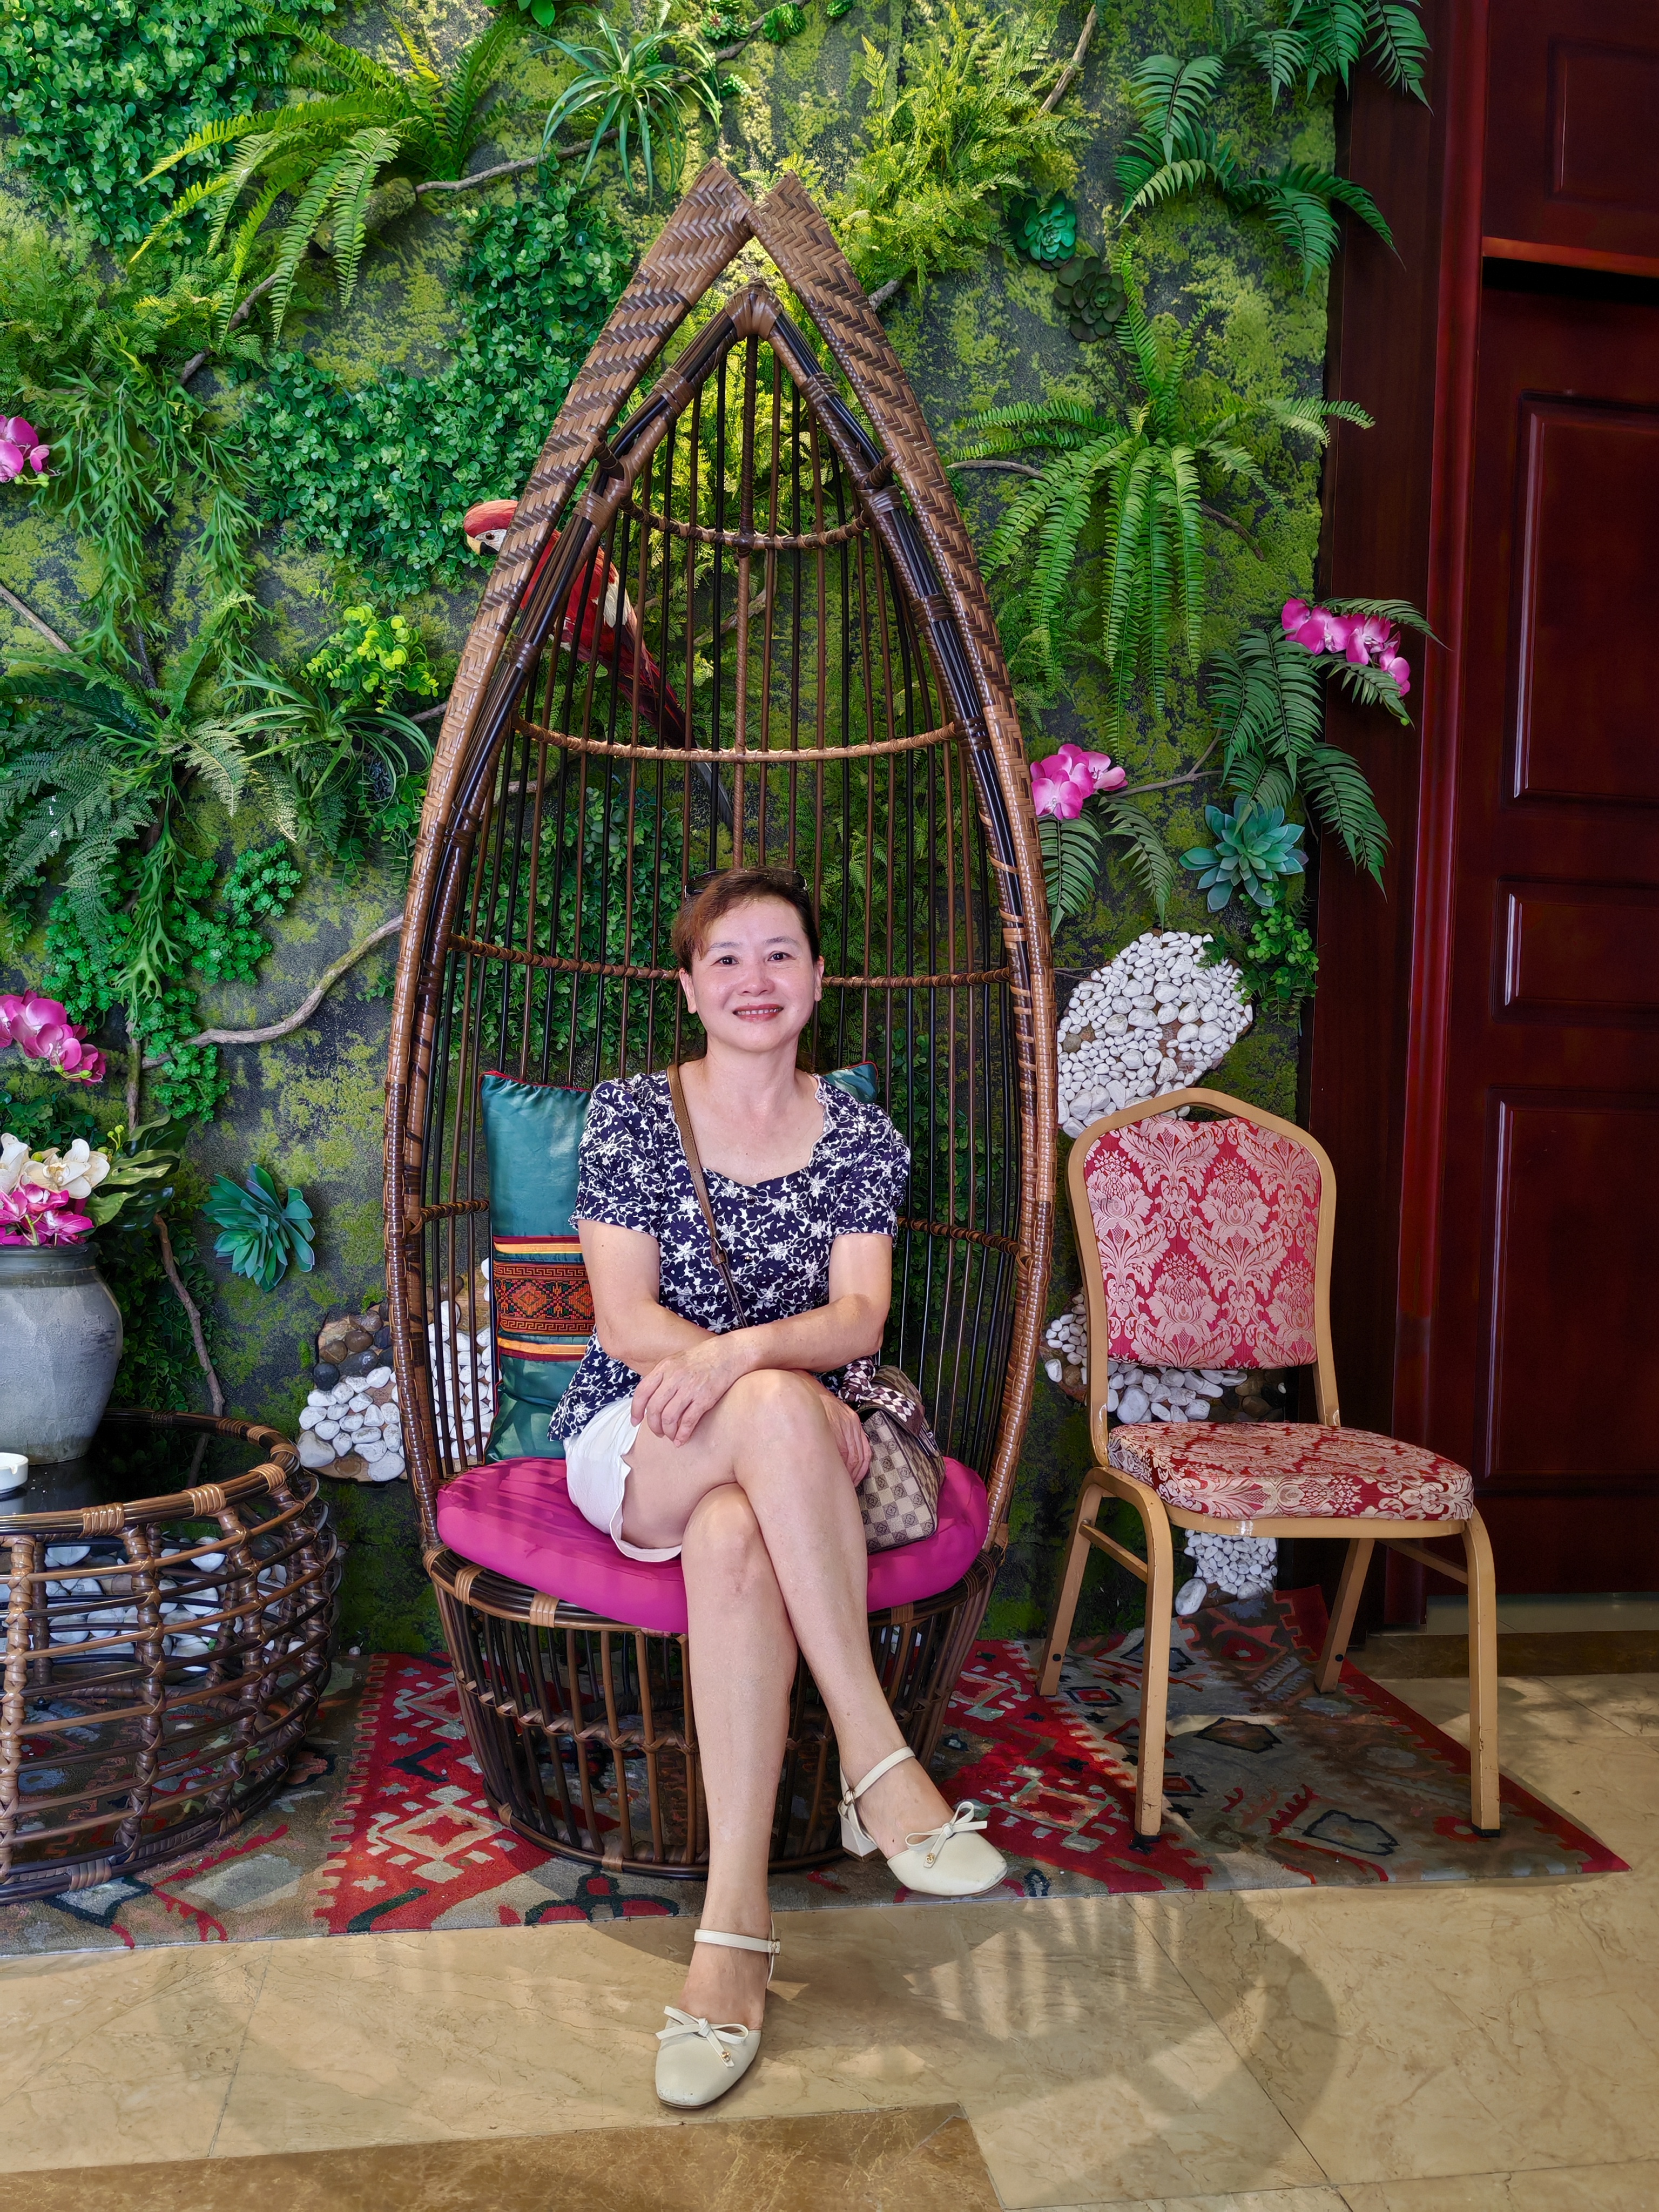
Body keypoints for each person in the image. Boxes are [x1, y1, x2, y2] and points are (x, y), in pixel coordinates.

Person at [561, 865, 1004, 2109]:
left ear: (816, 979)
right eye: (727, 957)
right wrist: (744, 1375)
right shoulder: (631, 1113)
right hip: (641, 1433)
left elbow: (860, 1318)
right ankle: (877, 1752)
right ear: (688, 985)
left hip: (798, 1449)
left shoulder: (862, 1135)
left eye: (779, 954)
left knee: (735, 1529)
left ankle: (733, 1935)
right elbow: (624, 1318)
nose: (754, 979)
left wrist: (745, 1357)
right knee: (758, 1421)